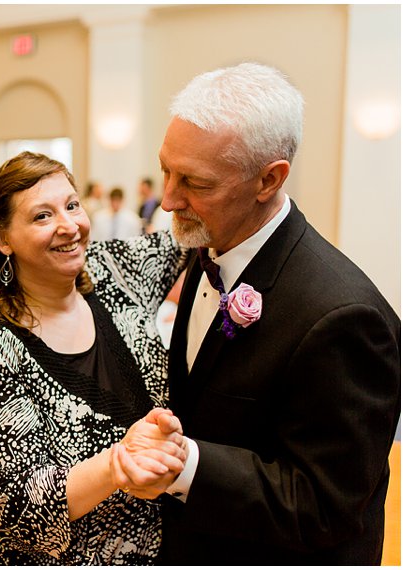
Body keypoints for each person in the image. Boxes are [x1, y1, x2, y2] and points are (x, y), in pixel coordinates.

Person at [127, 62, 401, 564]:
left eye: (195, 183)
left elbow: (325, 506)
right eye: (166, 169)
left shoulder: (345, 316)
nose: (167, 200)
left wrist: (184, 467)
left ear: (269, 180)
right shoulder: (208, 244)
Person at [0, 151, 189, 564]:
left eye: (72, 205)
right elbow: (21, 509)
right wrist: (119, 463)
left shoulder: (114, 271)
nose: (70, 226)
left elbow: (188, 230)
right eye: (42, 216)